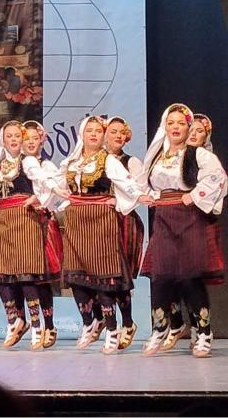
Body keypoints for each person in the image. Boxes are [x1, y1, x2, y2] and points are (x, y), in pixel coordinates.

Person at [57, 116, 151, 354]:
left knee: (104, 276)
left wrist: (139, 196)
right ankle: (89, 322)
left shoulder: (108, 160)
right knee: (76, 276)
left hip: (101, 220)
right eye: (89, 130)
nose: (93, 134)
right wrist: (51, 198)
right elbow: (56, 184)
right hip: (76, 221)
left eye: (98, 131)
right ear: (81, 134)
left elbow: (126, 182)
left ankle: (112, 329)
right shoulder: (72, 162)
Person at [141, 104, 226, 358]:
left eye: (181, 123)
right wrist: (149, 195)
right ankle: (160, 327)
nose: (175, 127)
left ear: (189, 127)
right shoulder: (158, 154)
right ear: (165, 126)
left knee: (190, 276)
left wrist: (195, 195)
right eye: (171, 123)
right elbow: (148, 181)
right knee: (161, 274)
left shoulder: (199, 155)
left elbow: (218, 178)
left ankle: (204, 332)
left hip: (190, 217)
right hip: (164, 217)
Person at [0, 121, 67, 350]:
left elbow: (42, 180)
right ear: (3, 139)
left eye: (17, 136)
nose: (14, 139)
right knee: (0, 272)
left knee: (28, 275)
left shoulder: (30, 162)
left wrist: (48, 193)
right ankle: (15, 320)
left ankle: (40, 325)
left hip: (27, 219)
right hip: (5, 218)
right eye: (9, 136)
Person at [103, 116, 144, 350]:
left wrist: (116, 202)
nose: (118, 136)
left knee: (119, 275)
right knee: (102, 275)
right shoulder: (96, 161)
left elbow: (139, 191)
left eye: (121, 132)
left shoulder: (131, 162)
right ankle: (110, 324)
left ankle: (127, 322)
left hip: (123, 221)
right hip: (99, 222)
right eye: (113, 131)